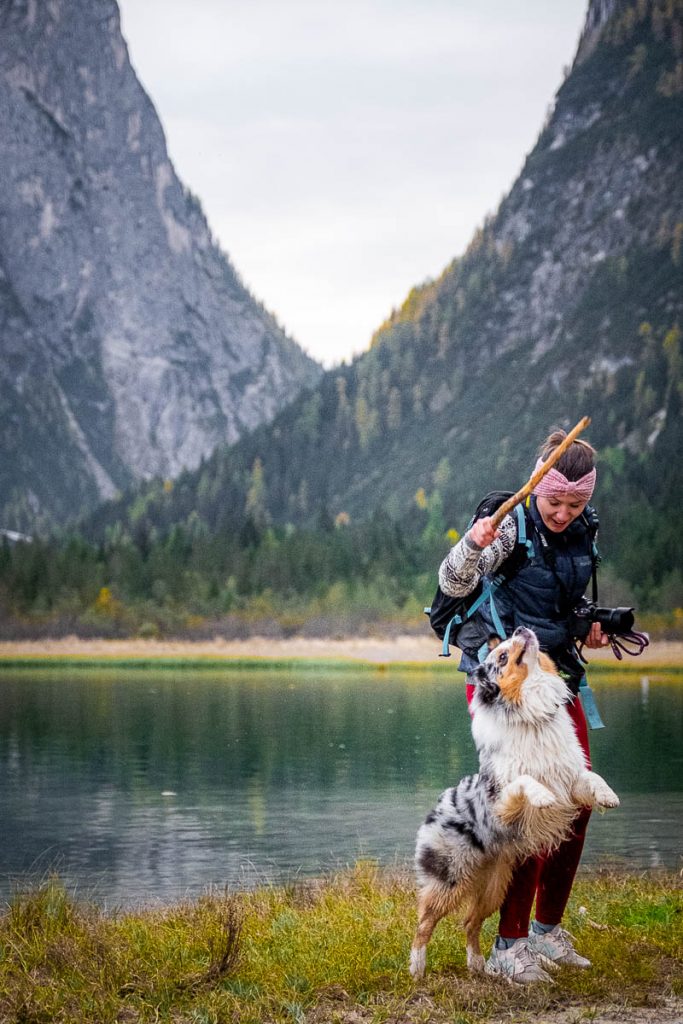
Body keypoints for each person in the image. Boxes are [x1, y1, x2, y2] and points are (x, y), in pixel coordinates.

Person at [438, 429, 609, 983]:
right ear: (537, 484)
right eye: (554, 501)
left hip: (552, 677)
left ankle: (545, 931)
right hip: (500, 679)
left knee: (576, 800)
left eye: (575, 504)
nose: (562, 513)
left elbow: (560, 600)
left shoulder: (584, 531)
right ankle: (507, 948)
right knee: (529, 808)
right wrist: (474, 543)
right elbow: (451, 582)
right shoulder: (508, 524)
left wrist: (592, 626)